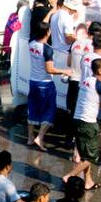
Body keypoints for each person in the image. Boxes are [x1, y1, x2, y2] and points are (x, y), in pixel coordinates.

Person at [63, 57, 101, 191]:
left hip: (77, 120)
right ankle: (69, 176)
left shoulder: (86, 80)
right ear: (100, 70)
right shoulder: (98, 84)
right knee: (91, 157)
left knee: (86, 154)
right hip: (89, 123)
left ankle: (89, 181)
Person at [27, 21, 71, 150]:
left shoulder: (31, 42)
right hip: (45, 84)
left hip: (33, 82)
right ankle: (40, 137)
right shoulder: (47, 49)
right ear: (47, 33)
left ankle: (30, 137)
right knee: (49, 109)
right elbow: (50, 69)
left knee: (33, 108)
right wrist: (65, 71)